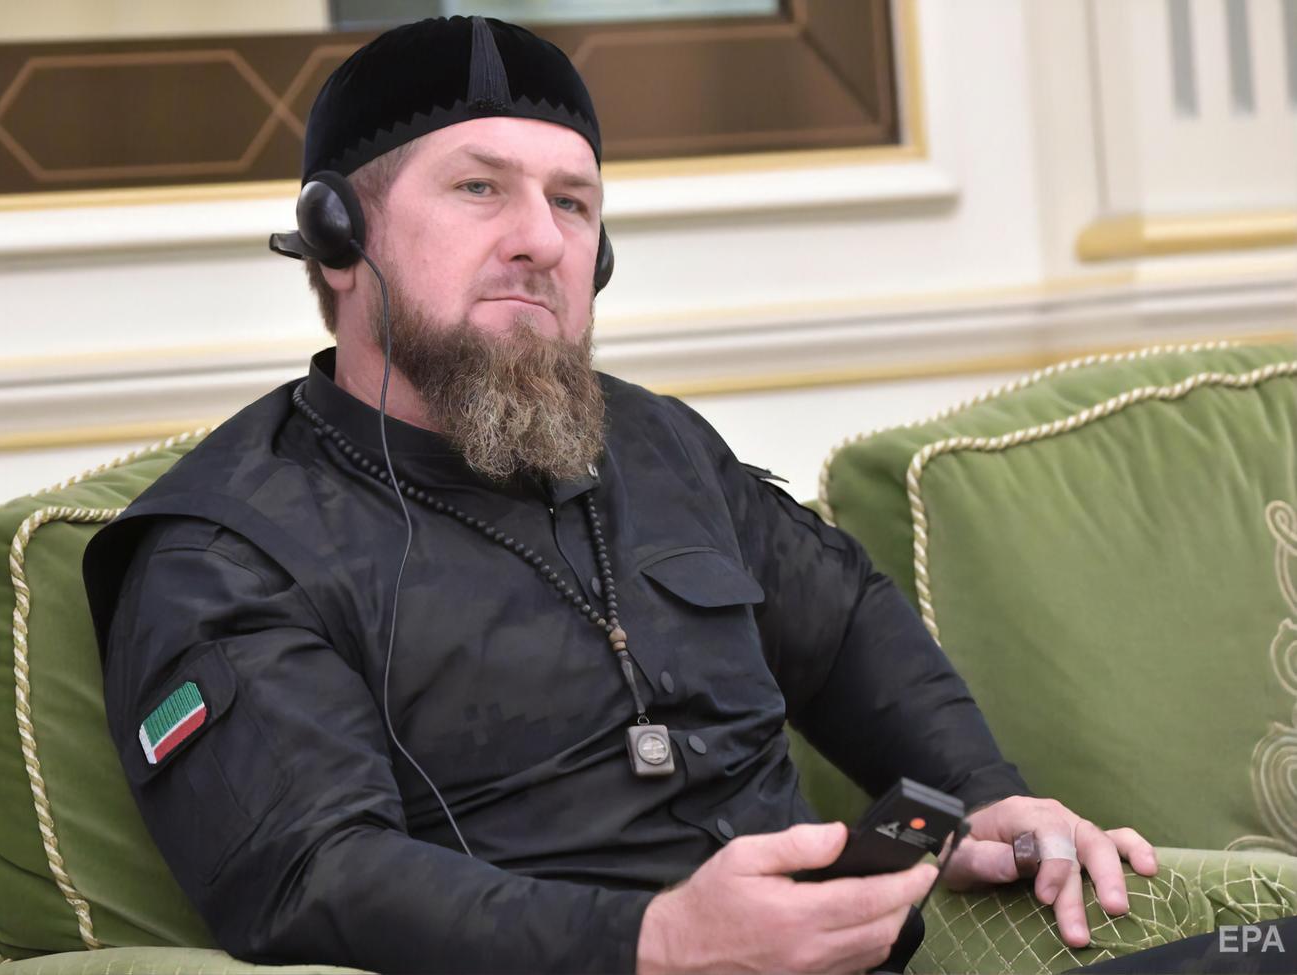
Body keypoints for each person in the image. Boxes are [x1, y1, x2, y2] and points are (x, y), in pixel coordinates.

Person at [83, 16, 1156, 974]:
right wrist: (658, 944)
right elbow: (311, 874)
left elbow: (839, 625)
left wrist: (982, 794)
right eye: (478, 188)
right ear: (337, 239)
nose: (542, 240)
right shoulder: (222, 549)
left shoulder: (654, 441)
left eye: (572, 202)